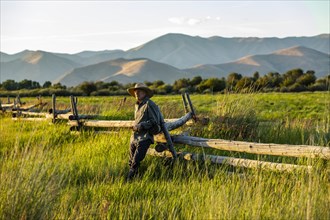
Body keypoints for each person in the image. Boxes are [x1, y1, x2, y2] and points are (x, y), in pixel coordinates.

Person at [126, 83, 162, 180]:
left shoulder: (150, 104)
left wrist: (141, 126)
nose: (137, 93)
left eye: (140, 91)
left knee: (135, 162)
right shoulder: (137, 105)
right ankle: (135, 181)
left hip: (145, 137)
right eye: (136, 91)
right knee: (131, 162)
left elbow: (154, 122)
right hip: (134, 137)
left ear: (145, 92)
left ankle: (127, 181)